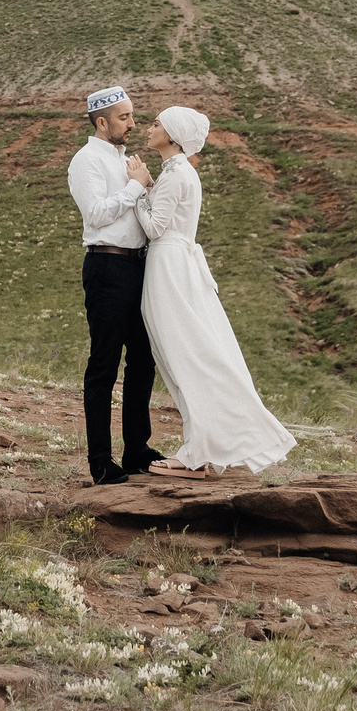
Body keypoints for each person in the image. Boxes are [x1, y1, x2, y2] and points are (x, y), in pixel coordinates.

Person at [134, 105, 298, 476]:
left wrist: (139, 188)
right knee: (186, 355)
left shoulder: (176, 175)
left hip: (168, 266)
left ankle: (200, 451)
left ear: (173, 136)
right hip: (176, 264)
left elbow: (155, 228)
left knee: (184, 356)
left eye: (156, 123)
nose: (149, 127)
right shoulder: (180, 172)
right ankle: (205, 445)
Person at [70, 85, 168, 486]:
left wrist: (142, 186)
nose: (133, 124)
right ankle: (100, 460)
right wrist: (134, 187)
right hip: (106, 267)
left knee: (144, 359)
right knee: (104, 364)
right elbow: (95, 215)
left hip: (137, 268)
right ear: (102, 121)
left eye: (133, 116)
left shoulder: (127, 160)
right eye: (125, 118)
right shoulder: (85, 161)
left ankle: (136, 450)